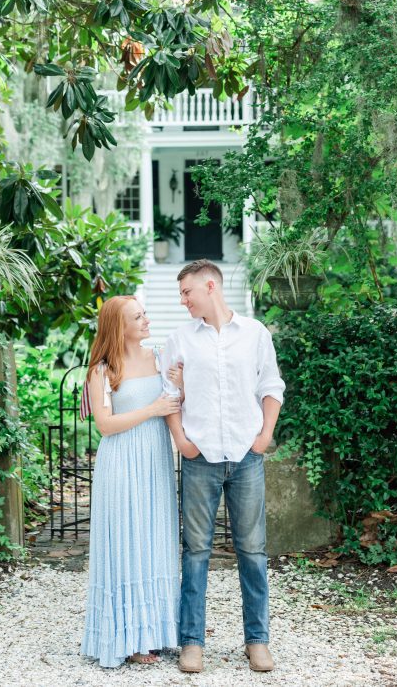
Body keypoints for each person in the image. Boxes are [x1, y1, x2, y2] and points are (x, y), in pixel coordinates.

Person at [161, 260, 285, 675]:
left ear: (209, 286)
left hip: (247, 457)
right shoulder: (181, 338)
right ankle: (192, 643)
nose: (183, 301)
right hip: (200, 459)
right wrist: (182, 441)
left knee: (252, 550)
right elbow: (169, 394)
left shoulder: (255, 334)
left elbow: (271, 386)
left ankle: (257, 642)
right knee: (195, 551)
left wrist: (264, 435)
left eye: (186, 293)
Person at [81, 294, 182, 668]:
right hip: (122, 461)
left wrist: (177, 385)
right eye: (138, 317)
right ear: (118, 327)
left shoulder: (158, 357)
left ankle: (158, 629)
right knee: (126, 539)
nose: (146, 321)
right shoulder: (102, 370)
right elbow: (105, 426)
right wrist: (152, 409)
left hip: (155, 457)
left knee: (155, 537)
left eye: (145, 314)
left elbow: (174, 400)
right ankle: (128, 636)